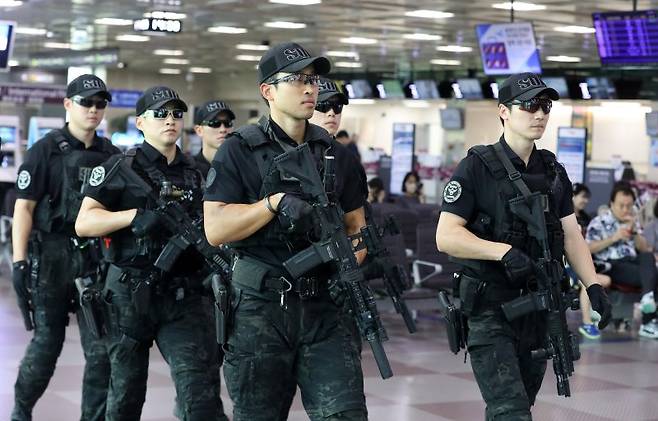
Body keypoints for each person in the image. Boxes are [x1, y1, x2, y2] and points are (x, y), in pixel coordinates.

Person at [203, 42, 369, 421]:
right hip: (260, 313)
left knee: (346, 414)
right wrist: (272, 204)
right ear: (268, 91)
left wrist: (347, 266)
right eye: (296, 80)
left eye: (312, 79)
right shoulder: (238, 150)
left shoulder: (337, 155)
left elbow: (357, 226)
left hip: (325, 311)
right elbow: (215, 228)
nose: (309, 88)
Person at [435, 72, 612, 420]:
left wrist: (592, 285)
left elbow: (571, 234)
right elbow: (446, 235)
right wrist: (501, 251)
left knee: (519, 408)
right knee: (510, 412)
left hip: (538, 311)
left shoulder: (553, 171)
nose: (540, 114)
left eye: (545, 106)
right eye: (529, 105)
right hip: (490, 309)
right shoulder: (475, 167)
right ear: (503, 111)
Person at [74, 86, 223, 420]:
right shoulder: (119, 167)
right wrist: (134, 217)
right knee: (126, 395)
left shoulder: (195, 174)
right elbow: (84, 222)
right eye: (160, 114)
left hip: (183, 298)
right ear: (140, 122)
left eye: (175, 114)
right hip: (129, 295)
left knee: (200, 394)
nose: (169, 120)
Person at [11, 74, 119, 421]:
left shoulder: (111, 154)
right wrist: (19, 262)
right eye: (86, 102)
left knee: (101, 352)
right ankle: (20, 411)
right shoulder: (44, 150)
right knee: (46, 346)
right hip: (53, 259)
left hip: (95, 261)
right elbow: (24, 208)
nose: (93, 110)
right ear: (68, 104)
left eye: (100, 103)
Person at [585, 182, 658, 338]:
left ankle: (647, 300)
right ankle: (648, 321)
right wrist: (613, 238)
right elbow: (587, 248)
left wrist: (635, 232)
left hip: (632, 262)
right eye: (621, 206)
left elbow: (645, 249)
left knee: (647, 257)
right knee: (653, 276)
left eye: (629, 206)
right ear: (612, 203)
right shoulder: (599, 222)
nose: (625, 210)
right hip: (612, 264)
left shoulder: (633, 222)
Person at [570, 183, 612, 339]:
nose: (585, 201)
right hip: (567, 264)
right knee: (586, 282)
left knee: (604, 279)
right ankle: (587, 322)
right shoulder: (562, 218)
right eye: (582, 197)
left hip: (584, 261)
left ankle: (594, 310)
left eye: (587, 198)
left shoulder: (587, 218)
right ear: (572, 196)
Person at [193, 99, 236, 176]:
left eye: (227, 123)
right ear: (199, 130)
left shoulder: (240, 167)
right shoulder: (189, 169)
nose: (223, 130)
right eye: (215, 124)